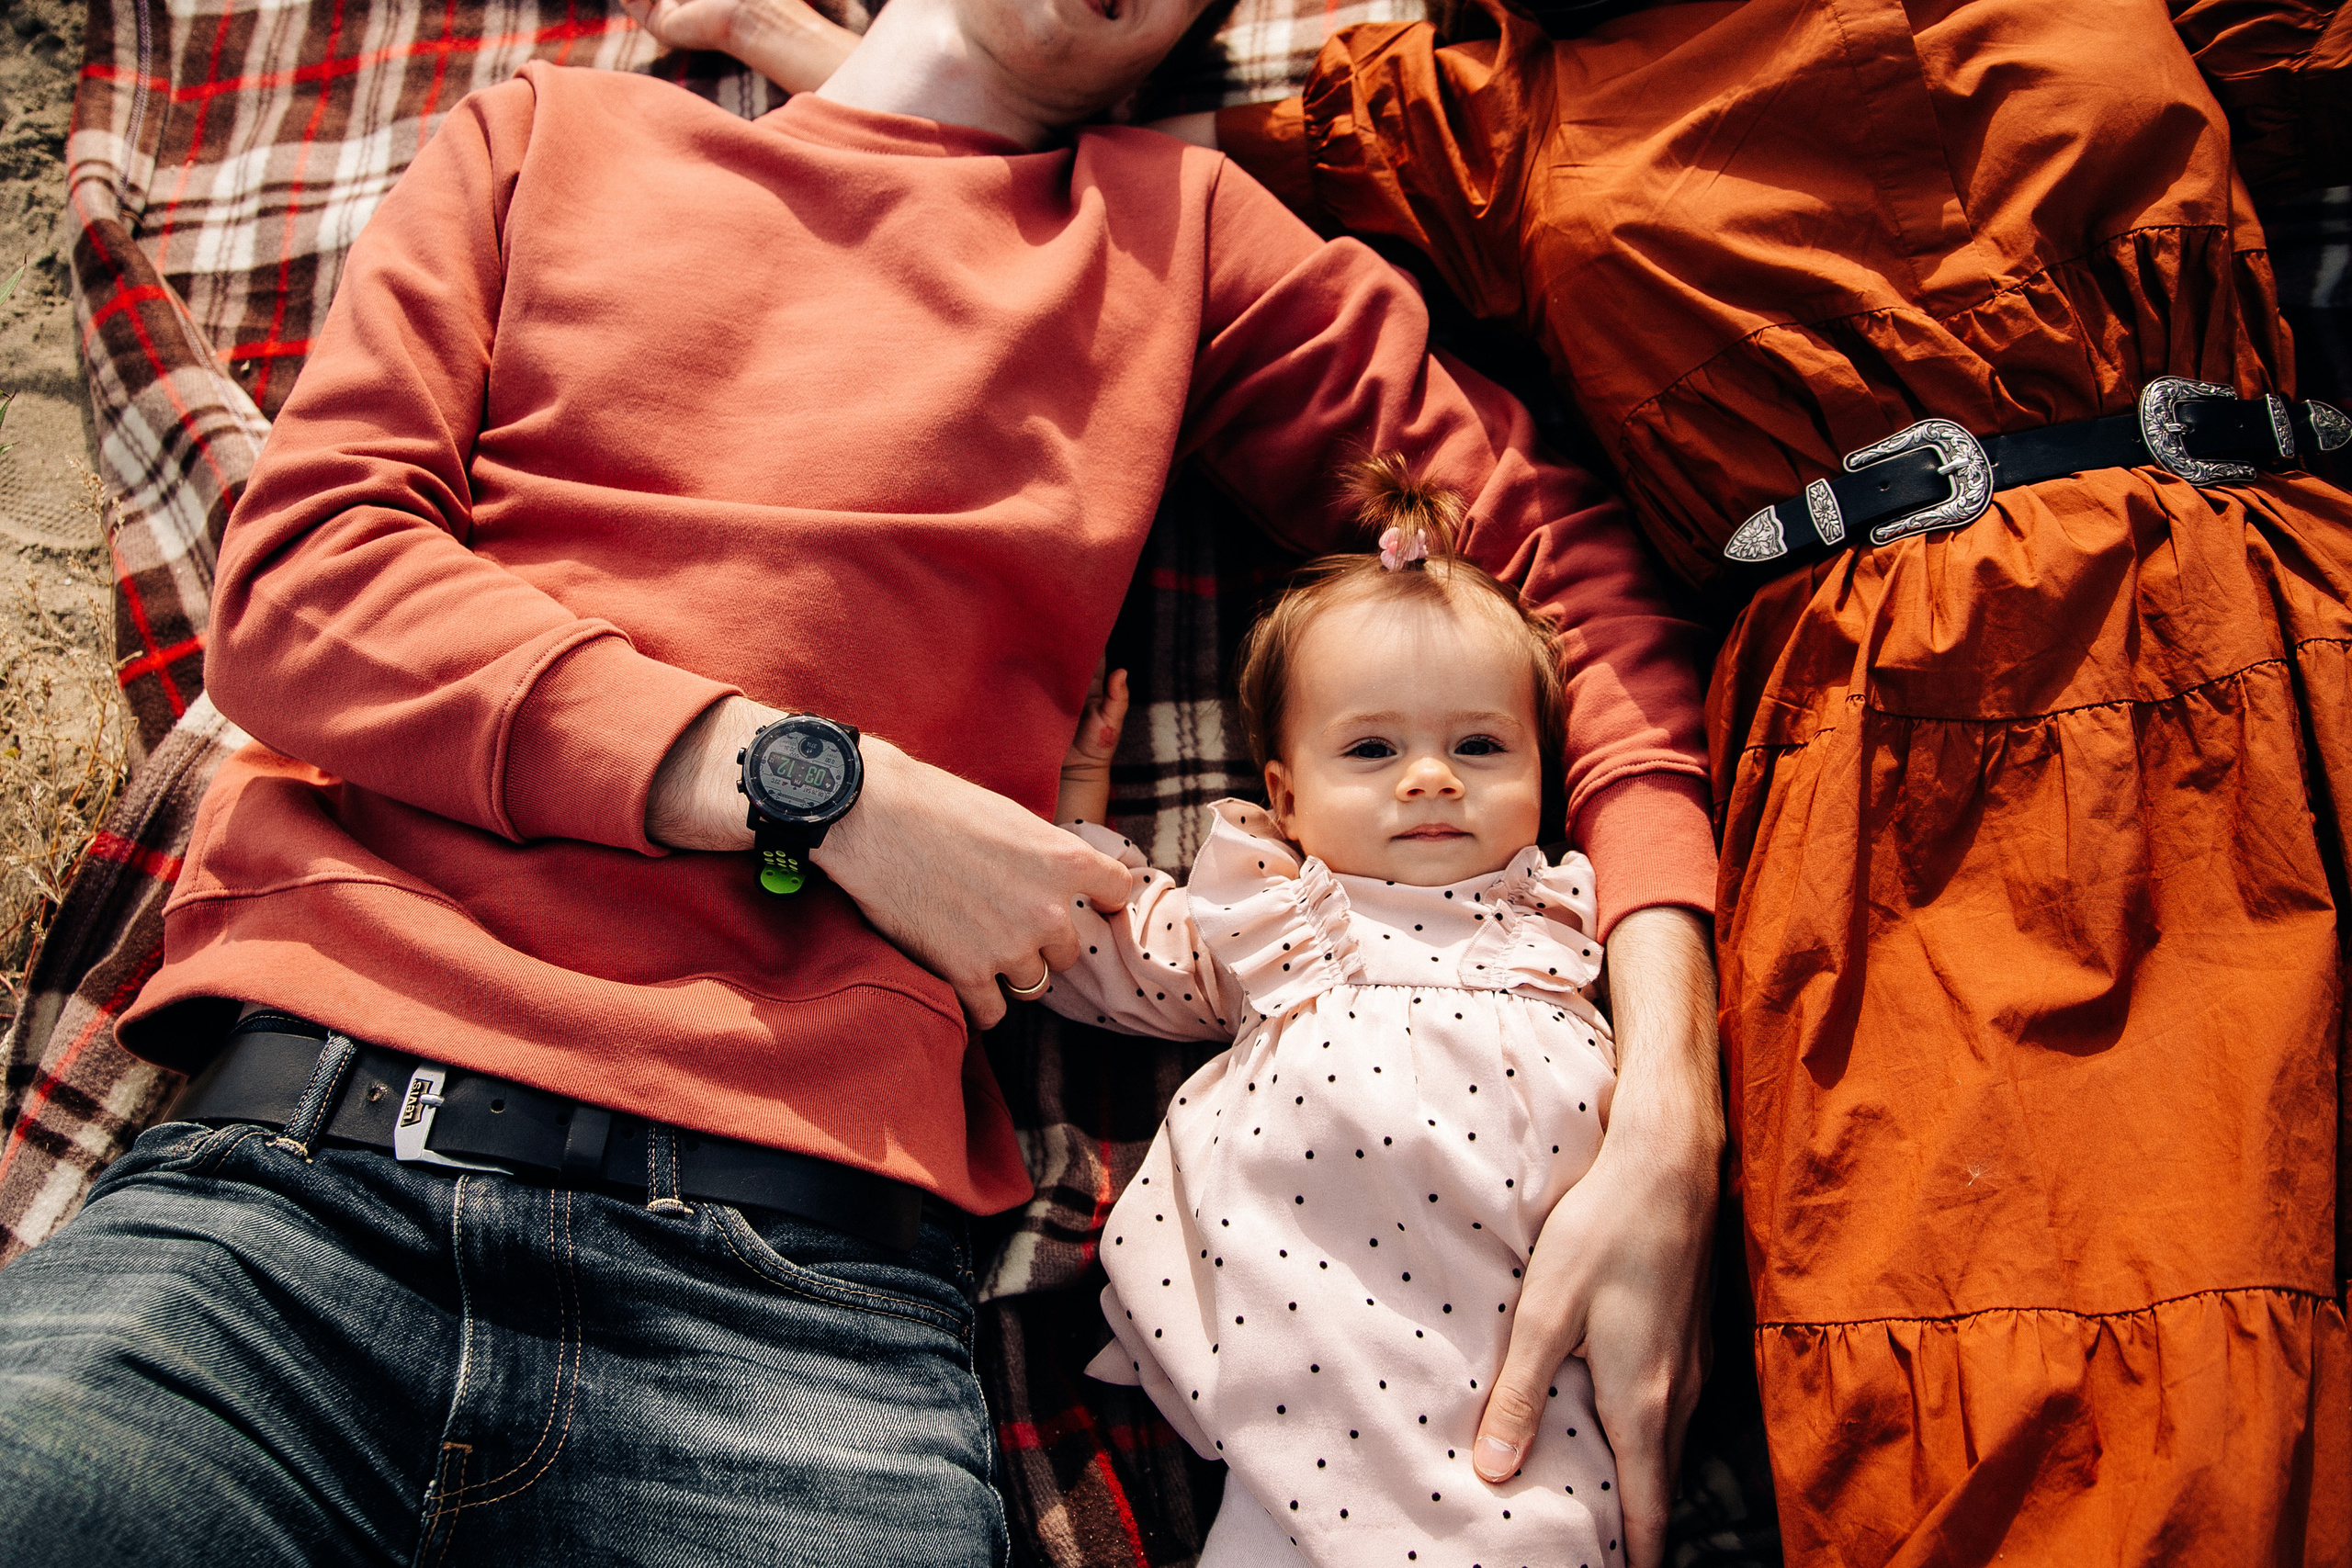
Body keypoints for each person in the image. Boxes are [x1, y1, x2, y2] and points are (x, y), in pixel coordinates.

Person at [0, 0, 1728, 1560]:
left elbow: (1565, 581)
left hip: (790, 1317)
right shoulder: (549, 132)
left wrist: (1666, 1100)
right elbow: (303, 586)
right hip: (300, 1194)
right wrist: (818, 788)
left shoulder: (1171, 229)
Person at [681, 0, 2352, 1559]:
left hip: (2284, 610)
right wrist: (849, 56)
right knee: (2042, 1385)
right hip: (1902, 738)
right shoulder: (1482, 101)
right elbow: (1080, 185)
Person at [1044, 460, 1630, 1567]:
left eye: (1479, 745)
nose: (1429, 780)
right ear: (1284, 794)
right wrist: (1083, 789)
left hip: (1522, 1370)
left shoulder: (1565, 930)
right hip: (1315, 1383)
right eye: (1372, 749)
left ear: (1545, 771)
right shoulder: (1280, 927)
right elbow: (1097, 947)